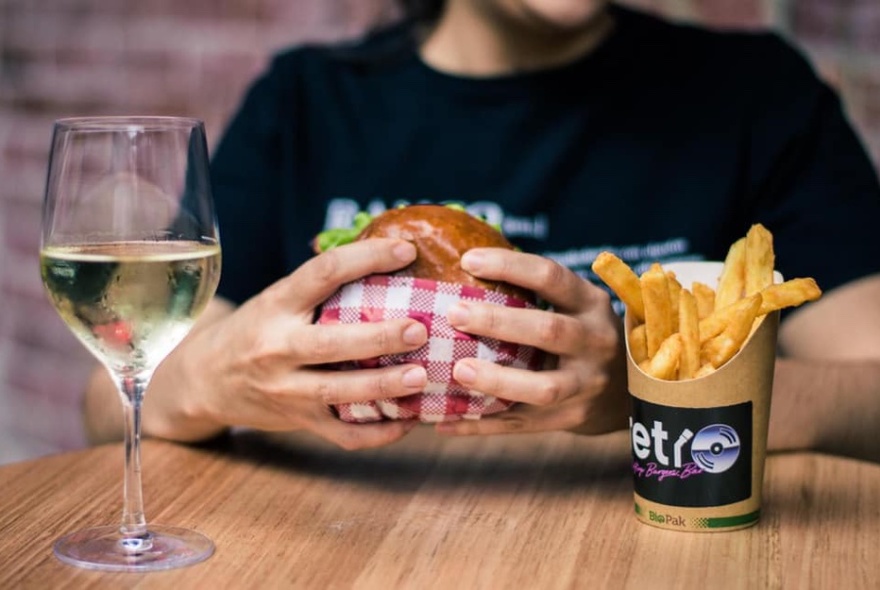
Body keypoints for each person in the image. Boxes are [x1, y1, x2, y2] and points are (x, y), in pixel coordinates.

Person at [83, 0, 880, 463]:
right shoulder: (306, 103)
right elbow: (106, 401)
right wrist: (211, 379)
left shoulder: (756, 97)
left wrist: (654, 394)